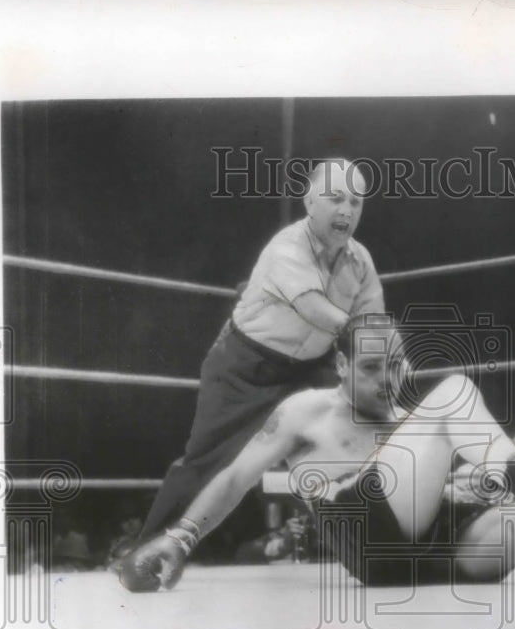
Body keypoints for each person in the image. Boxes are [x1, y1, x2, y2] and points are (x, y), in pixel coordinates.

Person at [120, 316, 515, 592]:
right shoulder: (306, 411)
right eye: (370, 367)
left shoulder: (407, 423)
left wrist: (471, 486)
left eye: (395, 365)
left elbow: (442, 492)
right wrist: (178, 538)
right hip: (368, 538)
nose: (387, 380)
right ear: (339, 365)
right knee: (456, 393)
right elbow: (234, 477)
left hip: (431, 556)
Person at [138, 159, 385, 543]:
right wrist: (369, 338)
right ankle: (145, 552)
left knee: (346, 441)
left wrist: (379, 367)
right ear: (310, 202)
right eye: (335, 198)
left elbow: (372, 328)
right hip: (245, 364)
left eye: (355, 202)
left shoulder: (361, 261)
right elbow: (315, 309)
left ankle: (373, 544)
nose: (346, 211)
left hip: (310, 368)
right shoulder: (286, 247)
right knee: (207, 461)